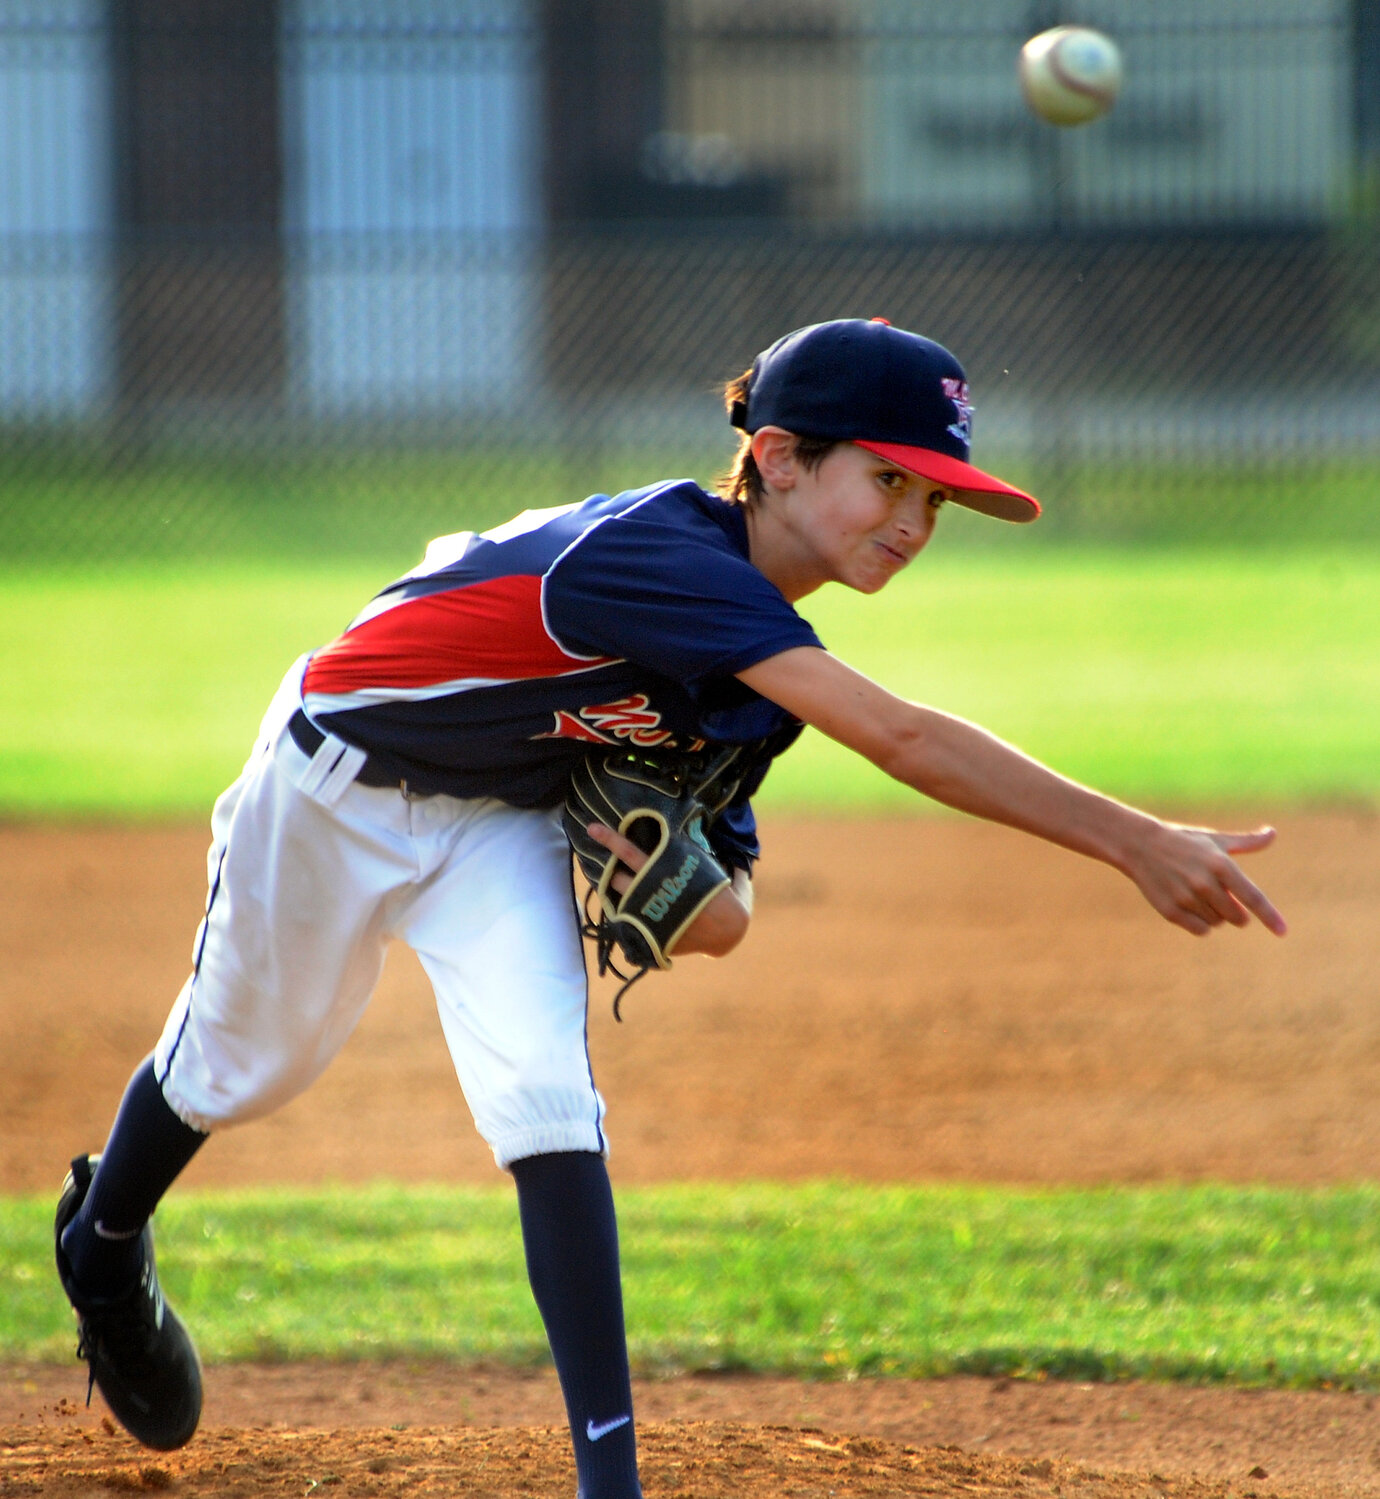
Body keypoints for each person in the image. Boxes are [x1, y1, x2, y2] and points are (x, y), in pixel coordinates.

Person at [54, 318, 1285, 1494]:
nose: (913, 521)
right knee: (241, 1063)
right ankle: (103, 1248)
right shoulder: (665, 556)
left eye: (936, 501)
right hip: (333, 784)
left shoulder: (762, 679)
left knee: (546, 1092)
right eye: (888, 481)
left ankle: (611, 1478)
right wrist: (1134, 841)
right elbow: (903, 737)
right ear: (779, 460)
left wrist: (691, 891)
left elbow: (727, 901)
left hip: (503, 815)